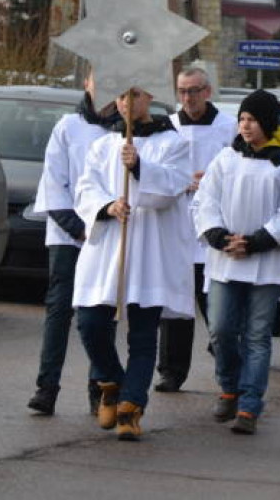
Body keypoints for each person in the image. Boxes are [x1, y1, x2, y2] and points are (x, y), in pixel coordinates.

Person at [73, 87, 192, 441]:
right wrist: (107, 206)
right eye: (121, 96)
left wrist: (139, 166)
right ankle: (112, 381)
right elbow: (85, 187)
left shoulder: (172, 142)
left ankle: (131, 407)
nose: (126, 102)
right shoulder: (103, 143)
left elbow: (172, 187)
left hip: (150, 248)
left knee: (142, 331)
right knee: (90, 322)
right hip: (110, 244)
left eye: (134, 95)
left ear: (148, 98)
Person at [194, 90, 280, 434]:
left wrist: (257, 242)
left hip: (266, 262)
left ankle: (249, 405)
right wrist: (218, 235)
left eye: (253, 120)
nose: (245, 126)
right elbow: (205, 201)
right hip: (225, 258)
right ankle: (228, 385)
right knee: (222, 329)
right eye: (242, 119)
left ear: (268, 123)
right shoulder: (226, 159)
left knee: (257, 335)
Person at [27, 70, 118, 416]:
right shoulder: (68, 127)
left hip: (106, 235)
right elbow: (54, 181)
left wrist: (101, 222)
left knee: (101, 314)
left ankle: (100, 387)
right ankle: (47, 386)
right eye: (100, 81)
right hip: (69, 234)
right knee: (59, 310)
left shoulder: (124, 133)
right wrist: (76, 227)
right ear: (88, 85)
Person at [154, 67, 236, 393]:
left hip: (213, 225)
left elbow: (242, 170)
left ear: (208, 91)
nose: (188, 98)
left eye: (194, 90)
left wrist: (215, 181)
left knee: (216, 306)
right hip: (176, 223)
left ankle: (226, 361)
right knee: (175, 303)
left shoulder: (229, 128)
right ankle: (171, 371)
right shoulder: (167, 128)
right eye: (182, 91)